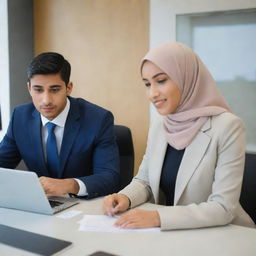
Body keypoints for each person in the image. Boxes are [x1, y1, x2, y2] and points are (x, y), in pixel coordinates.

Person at [103, 42, 255, 230]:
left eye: (161, 80)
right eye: (147, 84)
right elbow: (145, 181)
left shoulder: (228, 126)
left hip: (222, 234)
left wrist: (158, 217)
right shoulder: (161, 123)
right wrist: (125, 197)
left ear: (186, 77)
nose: (152, 93)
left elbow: (222, 207)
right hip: (172, 235)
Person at [0, 52, 120, 198]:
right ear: (29, 88)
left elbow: (110, 177)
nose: (46, 100)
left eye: (55, 90)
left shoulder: (98, 119)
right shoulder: (20, 116)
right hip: (40, 205)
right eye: (38, 90)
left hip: (83, 206)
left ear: (68, 88)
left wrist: (69, 185)